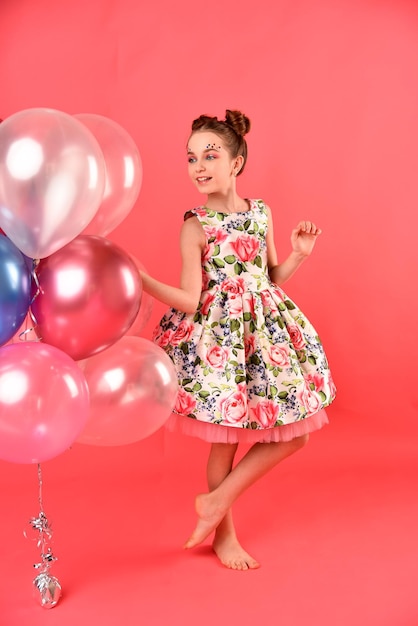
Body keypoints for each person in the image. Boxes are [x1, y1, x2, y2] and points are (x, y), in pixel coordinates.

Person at [140, 109, 336, 570]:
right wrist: (144, 280)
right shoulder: (196, 226)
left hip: (264, 334)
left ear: (237, 161)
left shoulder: (261, 213)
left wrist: (299, 255)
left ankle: (215, 502)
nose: (199, 167)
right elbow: (190, 299)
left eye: (210, 155)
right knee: (226, 438)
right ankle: (223, 536)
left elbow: (269, 277)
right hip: (220, 341)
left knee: (298, 435)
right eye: (191, 159)